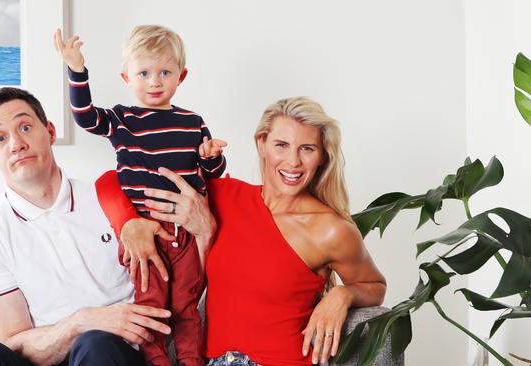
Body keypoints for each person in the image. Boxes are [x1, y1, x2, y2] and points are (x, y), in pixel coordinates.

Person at [96, 96, 387, 366]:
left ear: (322, 156)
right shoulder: (222, 197)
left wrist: (341, 296)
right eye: (281, 145)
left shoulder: (331, 229)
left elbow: (374, 286)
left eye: (307, 149)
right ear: (261, 144)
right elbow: (109, 181)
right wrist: (129, 222)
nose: (293, 162)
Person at [0, 87, 174, 366]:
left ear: (50, 132)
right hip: (40, 358)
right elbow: (13, 340)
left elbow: (175, 267)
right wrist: (79, 322)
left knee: (95, 343)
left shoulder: (110, 198)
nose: (16, 144)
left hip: (110, 354)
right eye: (0, 137)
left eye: (25, 127)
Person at [54, 25, 226, 366]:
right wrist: (76, 69)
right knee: (151, 304)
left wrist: (211, 157)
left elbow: (213, 175)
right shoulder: (122, 119)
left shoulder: (193, 123)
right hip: (145, 234)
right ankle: (156, 360)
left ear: (182, 76)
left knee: (186, 305)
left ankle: (192, 360)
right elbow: (86, 118)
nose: (154, 82)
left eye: (165, 72)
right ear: (127, 77)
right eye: (144, 73)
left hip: (186, 233)